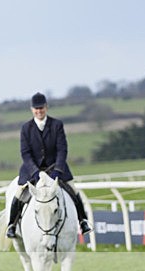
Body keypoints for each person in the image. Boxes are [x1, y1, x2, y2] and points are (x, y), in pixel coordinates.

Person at [6, 92, 92, 239]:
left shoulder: (57, 125)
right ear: (32, 109)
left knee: (73, 190)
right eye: (36, 108)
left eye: (41, 108)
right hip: (32, 169)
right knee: (19, 193)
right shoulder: (26, 128)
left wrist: (57, 170)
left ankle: (83, 221)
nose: (39, 111)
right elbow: (25, 153)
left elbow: (62, 149)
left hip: (55, 167)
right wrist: (35, 172)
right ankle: (12, 225)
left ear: (46, 107)